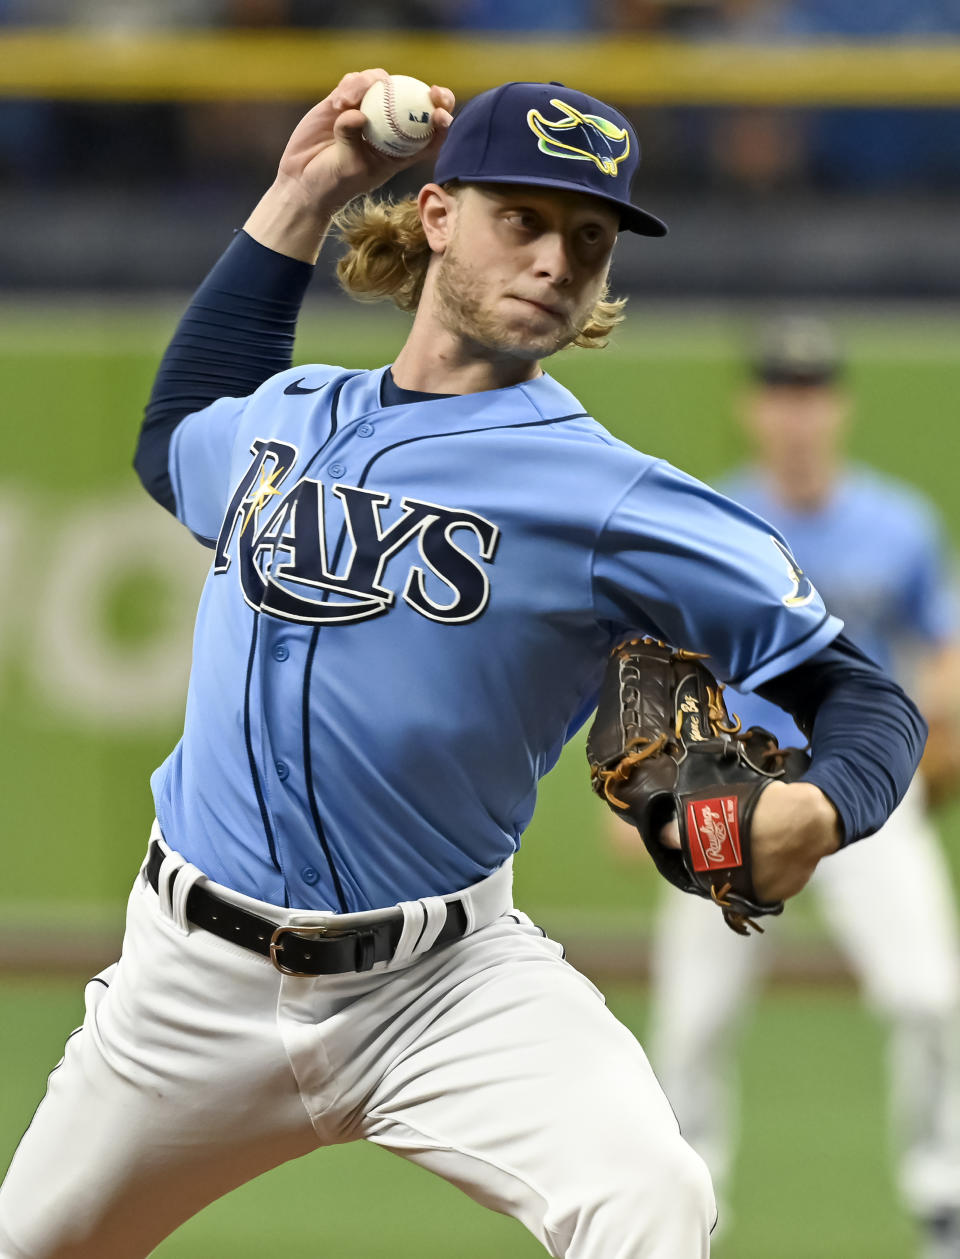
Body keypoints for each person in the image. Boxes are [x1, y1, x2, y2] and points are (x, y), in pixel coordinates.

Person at [0, 72, 925, 1259]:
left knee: (650, 1194)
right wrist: (303, 188)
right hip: (186, 985)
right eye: (523, 218)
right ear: (437, 215)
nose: (555, 259)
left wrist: (822, 802)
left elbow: (861, 692)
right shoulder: (286, 415)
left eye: (589, 238)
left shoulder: (612, 495)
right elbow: (172, 434)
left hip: (443, 985)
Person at [644, 317, 960, 1259]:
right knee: (693, 1020)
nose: (797, 412)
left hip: (862, 791)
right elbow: (660, 663)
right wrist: (642, 793)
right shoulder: (714, 519)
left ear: (839, 406)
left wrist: (934, 729)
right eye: (781, 391)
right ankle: (683, 1217)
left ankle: (945, 1202)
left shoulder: (898, 523)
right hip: (724, 795)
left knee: (931, 997)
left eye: (813, 392)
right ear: (752, 407)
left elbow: (940, 652)